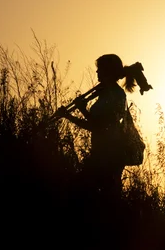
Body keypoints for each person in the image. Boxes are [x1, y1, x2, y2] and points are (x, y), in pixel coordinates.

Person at [56, 54, 139, 197]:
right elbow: (97, 125)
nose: (97, 72)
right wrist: (69, 115)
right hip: (102, 153)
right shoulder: (106, 92)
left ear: (107, 71)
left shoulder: (114, 94)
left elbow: (98, 127)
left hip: (108, 155)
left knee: (88, 193)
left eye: (100, 69)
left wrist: (79, 110)